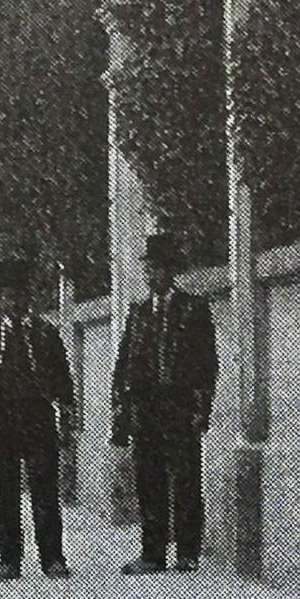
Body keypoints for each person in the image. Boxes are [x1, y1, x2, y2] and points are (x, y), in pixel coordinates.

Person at [109, 232, 220, 574]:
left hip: (179, 405)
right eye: (148, 268)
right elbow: (124, 363)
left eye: (158, 268)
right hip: (146, 408)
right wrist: (121, 409)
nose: (152, 274)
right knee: (149, 480)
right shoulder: (138, 313)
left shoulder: (192, 309)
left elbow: (207, 364)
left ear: (171, 271)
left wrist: (201, 410)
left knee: (186, 478)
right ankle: (153, 553)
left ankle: (187, 552)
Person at [0, 259, 79, 581]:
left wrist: (67, 417)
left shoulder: (45, 334)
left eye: (19, 295)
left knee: (45, 490)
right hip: (0, 421)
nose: (13, 302)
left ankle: (53, 558)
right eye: (7, 296)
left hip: (37, 418)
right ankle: (9, 560)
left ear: (29, 297)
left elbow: (63, 379)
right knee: (5, 492)